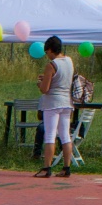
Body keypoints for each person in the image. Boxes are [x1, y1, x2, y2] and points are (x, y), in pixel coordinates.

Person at [34, 36, 74, 178]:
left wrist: (40, 83)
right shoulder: (69, 61)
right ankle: (66, 167)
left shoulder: (51, 65)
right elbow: (61, 79)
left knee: (50, 135)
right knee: (65, 135)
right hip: (67, 102)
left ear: (50, 50)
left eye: (47, 52)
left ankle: (47, 167)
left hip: (52, 103)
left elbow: (45, 89)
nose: (47, 55)